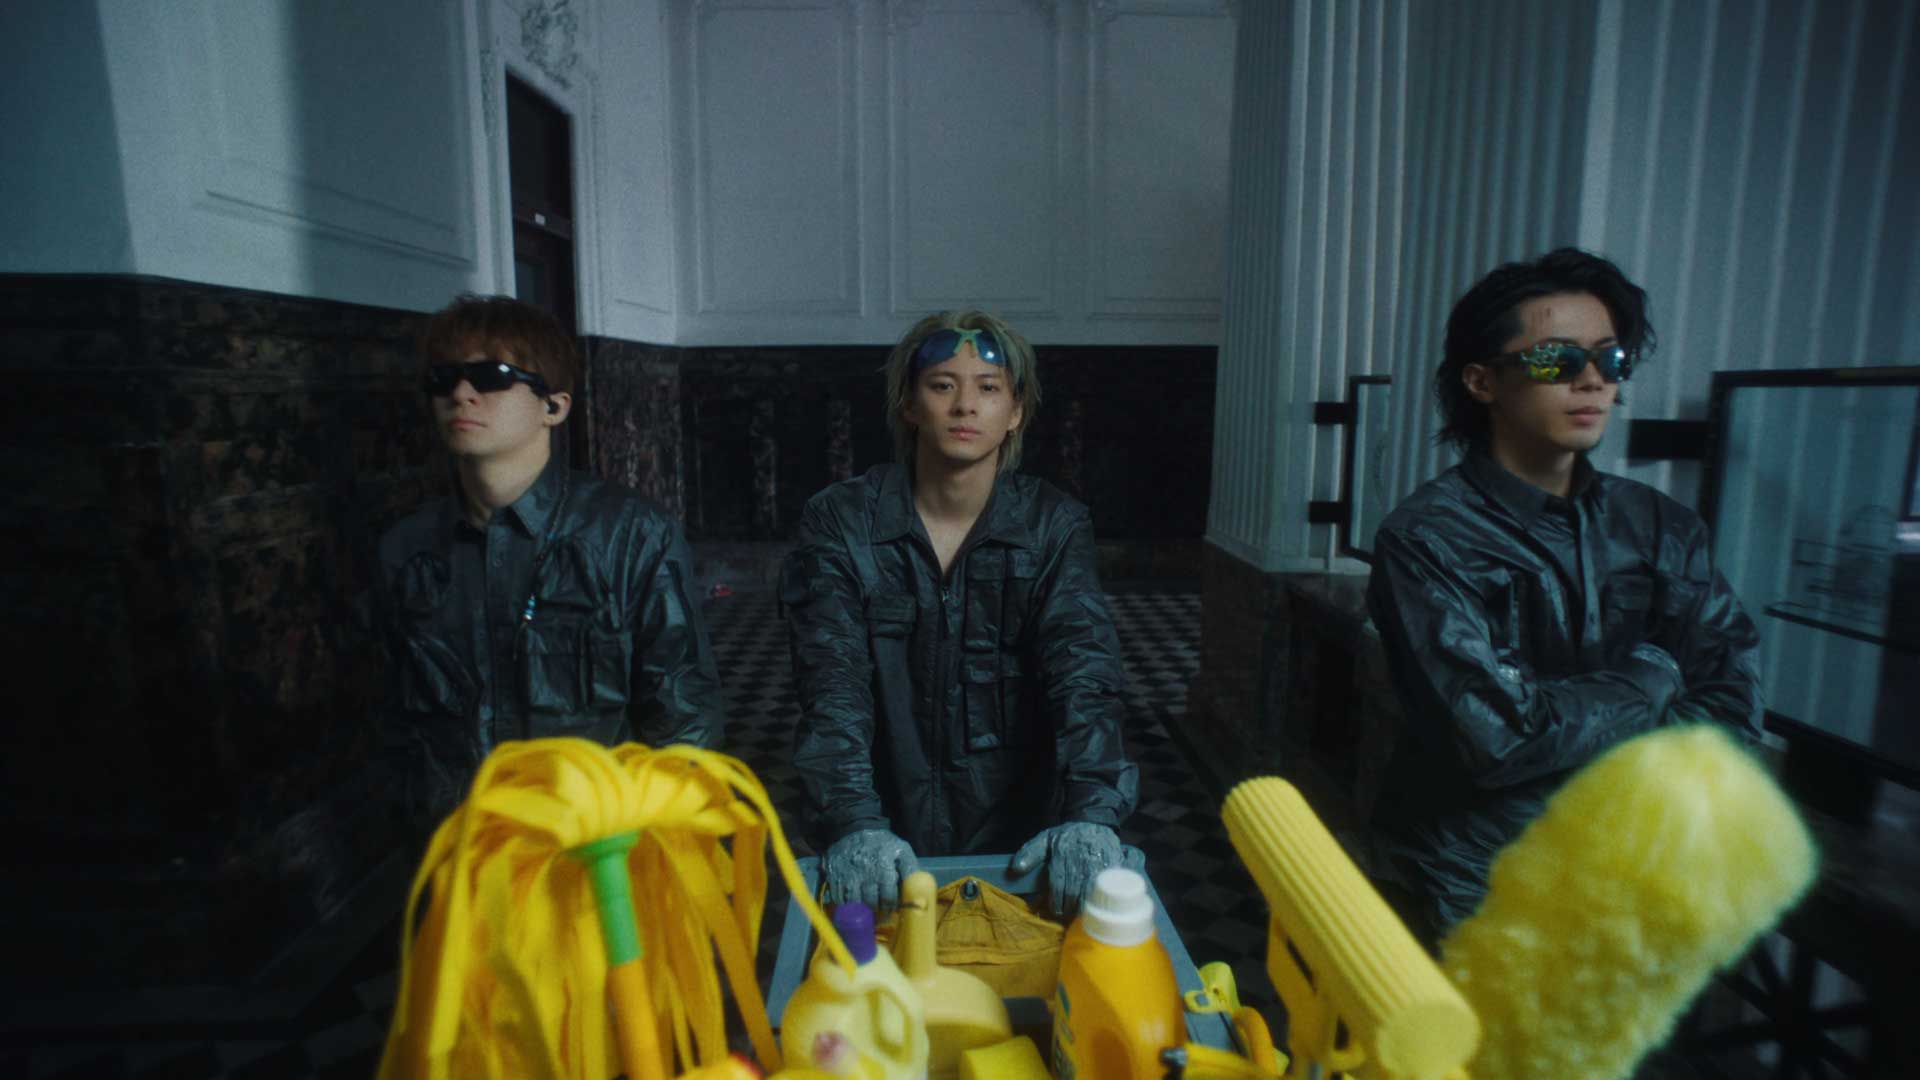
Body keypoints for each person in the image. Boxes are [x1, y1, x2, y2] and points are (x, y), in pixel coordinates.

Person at [1365, 248, 1763, 944]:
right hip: (1470, 882)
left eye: (1610, 359)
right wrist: (1654, 673)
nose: (1592, 380)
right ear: (1482, 381)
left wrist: (1563, 725)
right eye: (1558, 360)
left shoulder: (1662, 527)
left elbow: (1732, 708)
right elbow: (1494, 739)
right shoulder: (1426, 539)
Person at [780, 310, 1140, 915]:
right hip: (882, 835)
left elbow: (1084, 676)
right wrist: (853, 821)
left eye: (988, 388)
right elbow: (832, 682)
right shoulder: (841, 520)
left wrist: (1091, 814)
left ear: (1016, 411)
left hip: (1020, 844)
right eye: (943, 385)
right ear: (909, 404)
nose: (965, 405)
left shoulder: (1053, 525)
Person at [374, 295, 723, 838]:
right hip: (463, 852)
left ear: (554, 407)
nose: (460, 394)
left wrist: (656, 848)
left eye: (491, 376)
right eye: (443, 379)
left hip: (598, 850)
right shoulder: (406, 551)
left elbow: (683, 716)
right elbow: (392, 727)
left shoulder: (630, 535)